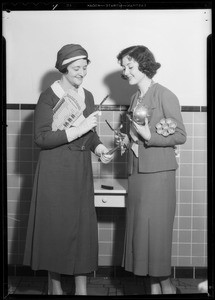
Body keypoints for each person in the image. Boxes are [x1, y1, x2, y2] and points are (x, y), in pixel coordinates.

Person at [23, 44, 113, 295]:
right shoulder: (49, 96)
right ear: (63, 68)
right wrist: (80, 129)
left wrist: (99, 150)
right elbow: (41, 138)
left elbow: (90, 134)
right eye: (76, 68)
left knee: (81, 229)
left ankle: (81, 289)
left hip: (80, 169)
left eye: (85, 68)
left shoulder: (89, 96)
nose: (82, 73)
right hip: (55, 169)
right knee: (55, 228)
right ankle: (55, 287)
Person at [116, 45, 187, 294]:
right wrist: (126, 139)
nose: (125, 72)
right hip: (137, 176)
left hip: (158, 176)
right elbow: (136, 132)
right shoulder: (136, 97)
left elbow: (180, 135)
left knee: (155, 239)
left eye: (130, 66)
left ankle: (168, 289)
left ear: (144, 65)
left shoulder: (165, 95)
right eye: (123, 67)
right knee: (142, 239)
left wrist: (149, 137)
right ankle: (156, 291)